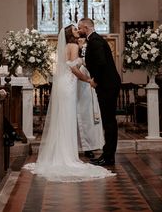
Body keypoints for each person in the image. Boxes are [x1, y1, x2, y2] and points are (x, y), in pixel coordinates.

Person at [23, 25, 116, 182]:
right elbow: (73, 68)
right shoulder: (72, 45)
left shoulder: (67, 46)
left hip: (62, 83)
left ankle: (60, 152)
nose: (77, 30)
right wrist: (88, 80)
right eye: (74, 29)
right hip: (69, 85)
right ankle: (67, 155)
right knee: (68, 118)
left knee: (63, 118)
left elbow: (70, 64)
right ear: (69, 33)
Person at [78, 18, 121, 166]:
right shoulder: (94, 40)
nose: (78, 31)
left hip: (107, 85)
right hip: (107, 84)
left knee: (109, 122)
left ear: (86, 27)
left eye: (80, 28)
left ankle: (108, 156)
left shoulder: (95, 41)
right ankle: (108, 154)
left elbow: (101, 63)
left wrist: (95, 80)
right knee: (108, 121)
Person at [77, 37, 104, 159]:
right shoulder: (73, 49)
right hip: (79, 84)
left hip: (88, 84)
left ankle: (91, 145)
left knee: (89, 115)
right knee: (81, 114)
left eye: (83, 40)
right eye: (79, 40)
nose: (81, 41)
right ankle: (80, 145)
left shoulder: (89, 49)